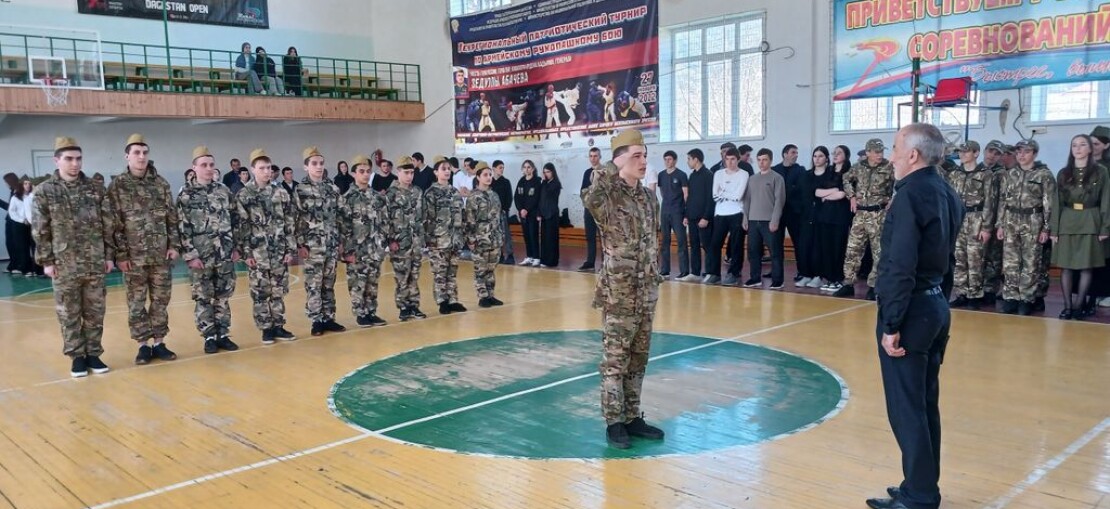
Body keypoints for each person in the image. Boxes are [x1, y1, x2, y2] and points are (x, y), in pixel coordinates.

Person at [865, 123, 962, 509]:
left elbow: (900, 264)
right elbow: (948, 257)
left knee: (906, 408)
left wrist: (892, 323)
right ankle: (920, 484)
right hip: (934, 305)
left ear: (913, 155)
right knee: (923, 403)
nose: (890, 157)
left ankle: (919, 495)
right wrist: (939, 301)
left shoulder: (909, 196)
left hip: (911, 312)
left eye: (894, 148)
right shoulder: (946, 191)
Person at [582, 129, 665, 449]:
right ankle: (614, 421)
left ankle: (632, 417)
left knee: (638, 358)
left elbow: (653, 241)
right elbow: (590, 198)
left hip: (646, 289)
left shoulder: (649, 198)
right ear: (619, 160)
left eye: (645, 155)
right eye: (636, 156)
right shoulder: (607, 197)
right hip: (619, 291)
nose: (643, 161)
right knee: (615, 359)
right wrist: (610, 167)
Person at [32, 137, 116, 377]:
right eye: (69, 159)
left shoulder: (95, 189)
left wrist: (109, 255)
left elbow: (108, 224)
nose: (75, 164)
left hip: (94, 262)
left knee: (95, 312)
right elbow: (40, 228)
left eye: (78, 159)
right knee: (68, 312)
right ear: (56, 161)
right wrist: (47, 261)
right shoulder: (45, 191)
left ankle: (94, 354)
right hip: (64, 264)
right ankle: (77, 357)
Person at [107, 134, 180, 365]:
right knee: (136, 303)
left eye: (145, 152)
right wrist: (120, 255)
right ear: (127, 156)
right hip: (133, 258)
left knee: (161, 300)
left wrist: (174, 245)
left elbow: (171, 218)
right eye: (136, 153)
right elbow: (114, 223)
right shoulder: (118, 185)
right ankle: (143, 345)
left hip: (160, 255)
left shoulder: (160, 184)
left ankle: (159, 342)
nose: (141, 157)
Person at [177, 145, 240, 355]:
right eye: (203, 165)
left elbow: (235, 219)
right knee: (203, 297)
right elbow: (182, 227)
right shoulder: (186, 195)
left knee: (223, 296)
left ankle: (223, 333)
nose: (208, 168)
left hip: (224, 253)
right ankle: (209, 336)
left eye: (211, 165)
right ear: (194, 167)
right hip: (201, 256)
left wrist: (236, 247)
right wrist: (190, 255)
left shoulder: (223, 191)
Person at [235, 148, 298, 344]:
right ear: (253, 169)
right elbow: (242, 227)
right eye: (262, 168)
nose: (266, 171)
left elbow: (289, 222)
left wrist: (290, 249)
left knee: (278, 290)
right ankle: (266, 329)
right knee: (261, 291)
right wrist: (246, 253)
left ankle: (278, 325)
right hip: (258, 252)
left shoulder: (280, 193)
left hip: (278, 251)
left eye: (269, 168)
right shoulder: (244, 195)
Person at [1050, 134, 1110, 320]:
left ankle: (1078, 306)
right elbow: (1057, 202)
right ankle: (1067, 307)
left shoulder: (1100, 172)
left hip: (1090, 220)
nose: (1078, 148)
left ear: (1090, 149)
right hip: (1068, 220)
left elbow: (1106, 200)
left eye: (1083, 144)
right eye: (1074, 145)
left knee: (1086, 266)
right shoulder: (1064, 173)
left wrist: (1105, 227)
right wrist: (1054, 229)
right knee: (1066, 266)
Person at [996, 139, 1056, 316]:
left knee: (1031, 261)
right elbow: (1003, 201)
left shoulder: (1044, 175)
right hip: (1011, 219)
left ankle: (1027, 298)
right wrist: (1000, 224)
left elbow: (1049, 203)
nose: (1021, 155)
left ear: (1035, 154)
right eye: (1019, 151)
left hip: (1033, 219)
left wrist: (1046, 228)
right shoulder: (1010, 174)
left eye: (1026, 151)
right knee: (1010, 261)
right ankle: (1011, 297)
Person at [833, 139, 895, 300]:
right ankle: (848, 283)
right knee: (853, 250)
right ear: (867, 152)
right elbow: (846, 179)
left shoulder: (889, 167)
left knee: (878, 252)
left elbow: (900, 183)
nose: (880, 155)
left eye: (881, 151)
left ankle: (874, 286)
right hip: (860, 214)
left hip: (878, 214)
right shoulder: (858, 167)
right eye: (876, 152)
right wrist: (851, 196)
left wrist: (893, 199)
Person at [295, 146, 347, 335]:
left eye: (321, 163)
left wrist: (341, 241)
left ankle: (328, 317)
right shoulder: (300, 190)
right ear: (306, 166)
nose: (319, 167)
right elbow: (297, 219)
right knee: (313, 284)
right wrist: (300, 244)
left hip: (331, 244)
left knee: (329, 283)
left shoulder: (332, 188)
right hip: (312, 247)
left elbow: (340, 216)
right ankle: (316, 319)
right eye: (314, 163)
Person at [340, 154, 388, 327]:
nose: (366, 174)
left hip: (374, 248)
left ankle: (371, 312)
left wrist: (382, 244)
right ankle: (360, 313)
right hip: (357, 249)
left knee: (372, 282)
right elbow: (344, 227)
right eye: (361, 171)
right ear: (354, 174)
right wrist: (347, 251)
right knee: (357, 282)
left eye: (368, 171)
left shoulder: (377, 197)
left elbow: (384, 221)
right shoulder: (347, 198)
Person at [945, 141, 994, 310]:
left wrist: (986, 227)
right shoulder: (954, 174)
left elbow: (990, 202)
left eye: (966, 152)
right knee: (958, 258)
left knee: (975, 259)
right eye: (960, 152)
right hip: (958, 218)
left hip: (976, 218)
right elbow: (948, 199)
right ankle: (961, 293)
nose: (962, 155)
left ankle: (975, 294)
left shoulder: (986, 174)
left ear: (976, 153)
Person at [383, 156, 427, 321]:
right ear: (398, 172)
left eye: (412, 173)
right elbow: (385, 219)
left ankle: (414, 305)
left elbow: (422, 216)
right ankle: (403, 306)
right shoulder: (391, 194)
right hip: (400, 243)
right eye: (406, 172)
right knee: (402, 276)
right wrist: (390, 241)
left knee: (414, 275)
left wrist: (422, 238)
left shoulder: (417, 192)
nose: (409, 176)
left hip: (415, 242)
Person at [423, 157, 466, 315]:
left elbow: (461, 215)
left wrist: (461, 236)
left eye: (448, 168)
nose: (447, 171)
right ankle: (442, 301)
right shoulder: (431, 193)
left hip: (454, 239)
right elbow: (427, 218)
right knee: (440, 272)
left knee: (452, 271)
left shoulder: (455, 192)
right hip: (439, 240)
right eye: (443, 169)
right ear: (436, 172)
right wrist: (430, 239)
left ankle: (452, 299)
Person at [742, 148, 786, 289]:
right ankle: (755, 278)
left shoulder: (777, 178)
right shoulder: (752, 179)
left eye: (765, 160)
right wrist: (745, 218)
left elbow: (779, 201)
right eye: (759, 160)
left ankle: (778, 280)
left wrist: (775, 220)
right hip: (753, 221)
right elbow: (747, 200)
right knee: (753, 251)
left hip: (769, 221)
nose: (761, 163)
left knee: (775, 252)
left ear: (770, 161)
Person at [704, 148, 749, 285]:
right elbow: (715, 195)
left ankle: (734, 273)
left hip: (737, 212)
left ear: (738, 160)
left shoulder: (744, 174)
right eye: (727, 159)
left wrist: (723, 193)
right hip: (720, 213)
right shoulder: (718, 174)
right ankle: (714, 273)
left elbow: (738, 196)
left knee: (736, 245)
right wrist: (729, 194)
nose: (729, 162)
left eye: (732, 159)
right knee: (715, 244)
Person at [465, 162, 505, 307]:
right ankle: (482, 297)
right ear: (478, 177)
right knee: (480, 269)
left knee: (491, 269)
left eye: (490, 175)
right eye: (485, 175)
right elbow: (469, 220)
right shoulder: (473, 197)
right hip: (480, 239)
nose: (488, 177)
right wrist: (471, 239)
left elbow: (499, 218)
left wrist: (501, 236)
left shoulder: (494, 195)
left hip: (494, 238)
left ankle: (490, 295)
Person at [813, 146, 852, 291]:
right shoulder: (828, 171)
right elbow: (817, 192)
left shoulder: (849, 172)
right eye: (834, 153)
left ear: (846, 156)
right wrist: (833, 191)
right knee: (826, 248)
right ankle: (829, 278)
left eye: (839, 153)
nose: (835, 155)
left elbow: (842, 194)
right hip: (825, 216)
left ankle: (838, 279)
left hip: (840, 216)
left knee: (838, 248)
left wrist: (827, 196)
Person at [772, 144, 811, 285]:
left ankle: (802, 271)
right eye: (793, 152)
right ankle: (776, 271)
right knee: (776, 243)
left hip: (795, 212)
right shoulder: (775, 170)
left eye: (797, 152)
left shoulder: (800, 170)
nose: (796, 155)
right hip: (778, 211)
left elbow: (802, 189)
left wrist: (788, 190)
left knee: (798, 243)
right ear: (785, 154)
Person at [980, 140, 1007, 305]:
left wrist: (1000, 223)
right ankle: (973, 289)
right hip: (976, 219)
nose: (992, 155)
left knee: (993, 257)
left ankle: (990, 289)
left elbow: (1003, 200)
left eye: (997, 153)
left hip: (996, 218)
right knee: (975, 256)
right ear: (984, 151)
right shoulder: (976, 170)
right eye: (990, 151)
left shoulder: (1002, 174)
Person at [657, 150, 689, 279]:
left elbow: (686, 195)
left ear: (675, 160)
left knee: (681, 241)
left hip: (678, 212)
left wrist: (685, 213)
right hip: (665, 211)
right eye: (665, 159)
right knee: (665, 242)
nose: (667, 162)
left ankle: (684, 271)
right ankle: (665, 270)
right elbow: (662, 192)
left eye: (669, 159)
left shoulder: (681, 175)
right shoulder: (661, 175)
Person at [683, 149, 713, 282]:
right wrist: (686, 215)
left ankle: (711, 272)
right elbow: (690, 198)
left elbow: (710, 198)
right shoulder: (692, 176)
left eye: (689, 159)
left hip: (703, 218)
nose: (688, 162)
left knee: (707, 246)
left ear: (696, 159)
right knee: (694, 245)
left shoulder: (708, 175)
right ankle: (695, 272)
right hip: (692, 217)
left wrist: (706, 217)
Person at [578, 147, 602, 272]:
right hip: (589, 209)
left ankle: (605, 263)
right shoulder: (587, 172)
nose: (593, 158)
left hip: (601, 210)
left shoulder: (604, 172)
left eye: (595, 156)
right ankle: (590, 262)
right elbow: (583, 190)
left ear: (600, 157)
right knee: (590, 236)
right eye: (591, 156)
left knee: (603, 237)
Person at [515, 160, 542, 266]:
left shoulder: (537, 181)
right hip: (523, 214)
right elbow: (517, 197)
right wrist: (521, 209)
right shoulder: (521, 181)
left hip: (532, 213)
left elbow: (536, 198)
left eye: (529, 167)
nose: (526, 169)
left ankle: (536, 257)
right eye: (525, 167)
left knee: (533, 234)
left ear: (533, 169)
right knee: (526, 235)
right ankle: (529, 256)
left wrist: (527, 209)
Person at [490, 159, 515, 265]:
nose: (502, 170)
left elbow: (509, 197)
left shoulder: (506, 182)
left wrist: (505, 208)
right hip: (492, 213)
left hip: (503, 212)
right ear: (494, 169)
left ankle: (510, 255)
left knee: (506, 234)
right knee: (495, 234)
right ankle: (498, 254)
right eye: (500, 168)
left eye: (503, 168)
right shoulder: (490, 182)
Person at [538, 162, 562, 268]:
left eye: (548, 172)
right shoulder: (544, 184)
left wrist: (544, 182)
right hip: (544, 214)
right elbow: (541, 199)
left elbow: (549, 194)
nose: (546, 174)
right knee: (544, 238)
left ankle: (552, 261)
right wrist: (539, 213)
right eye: (544, 172)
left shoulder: (556, 184)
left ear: (552, 172)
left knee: (551, 238)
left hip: (552, 214)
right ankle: (544, 259)